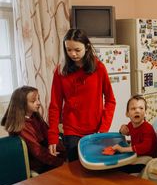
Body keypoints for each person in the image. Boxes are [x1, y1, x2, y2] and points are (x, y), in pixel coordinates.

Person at [48, 29, 116, 161]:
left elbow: (110, 101)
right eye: (69, 50)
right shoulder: (60, 71)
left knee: (95, 166)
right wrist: (53, 136)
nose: (73, 54)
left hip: (96, 129)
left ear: (87, 47)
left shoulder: (99, 68)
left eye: (77, 50)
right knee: (76, 168)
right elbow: (55, 105)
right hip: (71, 129)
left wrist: (103, 130)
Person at [1, 86, 66, 173]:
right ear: (22, 104)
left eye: (38, 99)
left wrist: (63, 150)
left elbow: (49, 135)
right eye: (33, 101)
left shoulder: (35, 117)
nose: (38, 103)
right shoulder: (22, 127)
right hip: (39, 165)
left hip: (48, 158)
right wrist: (61, 162)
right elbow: (38, 152)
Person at [114, 95, 157, 174]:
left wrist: (123, 149)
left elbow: (145, 147)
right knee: (117, 163)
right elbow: (125, 131)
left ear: (145, 113)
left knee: (119, 169)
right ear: (127, 114)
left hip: (148, 160)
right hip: (138, 156)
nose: (137, 111)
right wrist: (121, 129)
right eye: (133, 108)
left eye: (141, 108)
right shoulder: (131, 125)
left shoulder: (147, 128)